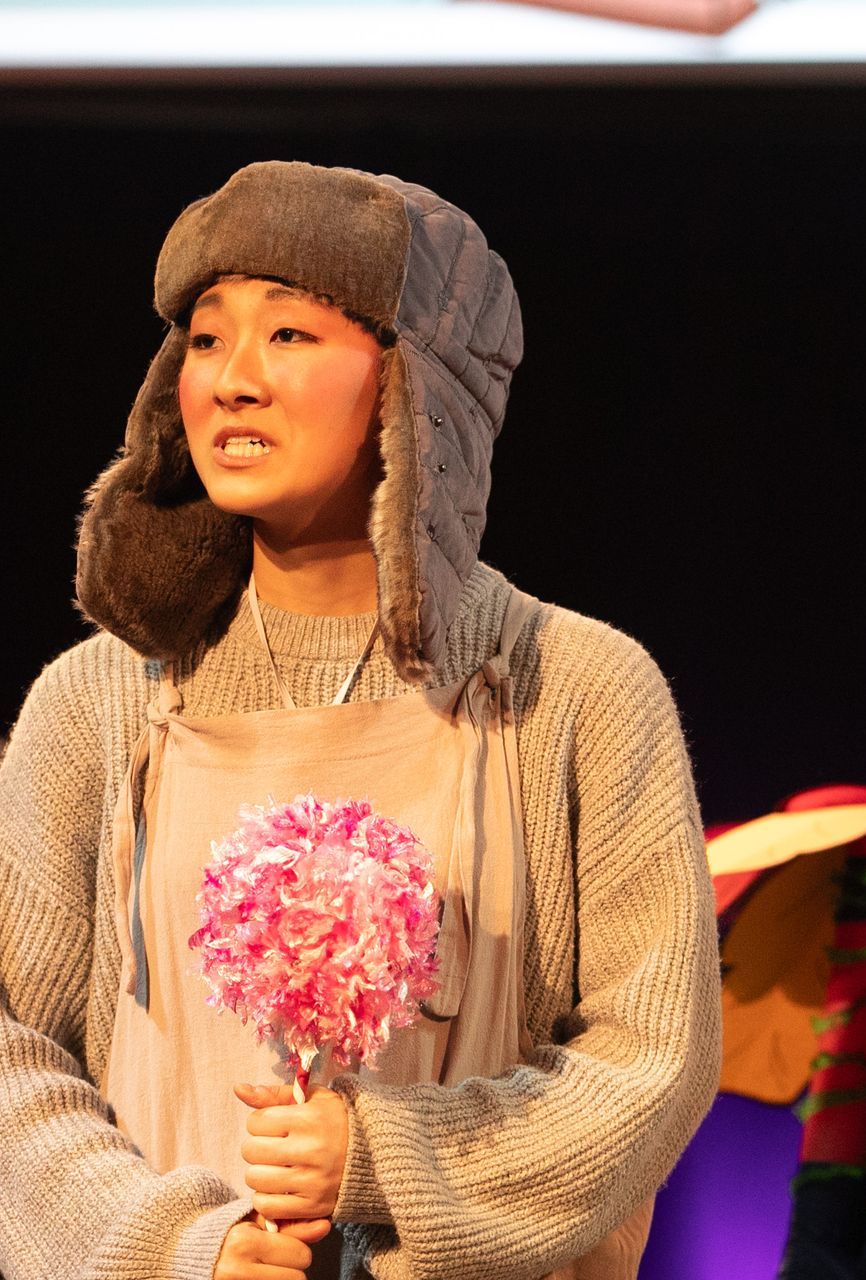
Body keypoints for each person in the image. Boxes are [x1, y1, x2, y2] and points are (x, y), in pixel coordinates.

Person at [0, 161, 722, 1280]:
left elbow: (651, 1054)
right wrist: (175, 1246)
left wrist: (384, 1157)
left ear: (412, 384)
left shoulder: (568, 685)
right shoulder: (97, 704)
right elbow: (8, 1049)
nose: (232, 380)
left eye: (289, 335)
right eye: (203, 338)